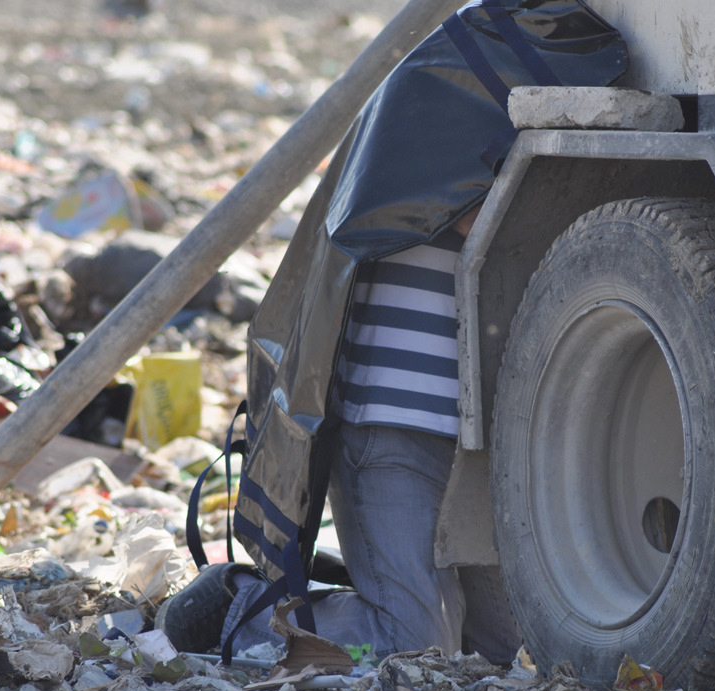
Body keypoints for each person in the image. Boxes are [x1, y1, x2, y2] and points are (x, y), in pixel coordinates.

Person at [155, 206, 521, 664]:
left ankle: (340, 600)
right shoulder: (427, 134)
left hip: (488, 430)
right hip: (391, 407)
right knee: (413, 647)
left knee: (507, 654)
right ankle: (244, 610)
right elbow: (475, 210)